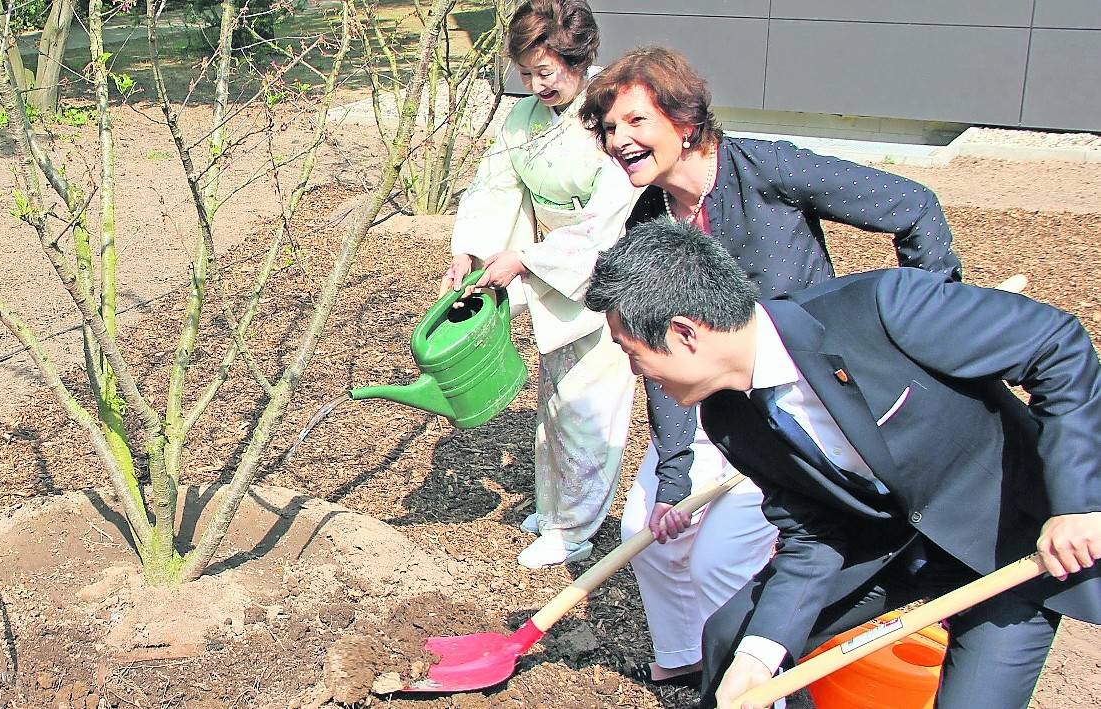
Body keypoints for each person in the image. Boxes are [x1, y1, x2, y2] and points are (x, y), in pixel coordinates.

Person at [583, 217, 1101, 709]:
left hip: (1014, 543)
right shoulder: (728, 418)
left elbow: (1058, 347)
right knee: (734, 639)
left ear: (684, 334)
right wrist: (759, 659)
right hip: (886, 547)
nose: (636, 371)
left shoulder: (883, 308)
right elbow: (812, 535)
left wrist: (1077, 503)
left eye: (632, 353)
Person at [576, 46, 963, 683]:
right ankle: (690, 660)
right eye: (609, 129)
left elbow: (913, 206)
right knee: (648, 534)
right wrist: (673, 480)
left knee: (722, 564)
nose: (619, 140)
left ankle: (756, 677)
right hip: (707, 398)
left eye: (635, 122)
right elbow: (657, 359)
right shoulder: (650, 221)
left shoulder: (765, 169)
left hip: (800, 398)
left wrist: (929, 327)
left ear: (685, 119)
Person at [440, 0, 640, 569]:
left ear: (581, 60)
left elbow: (609, 219)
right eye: (526, 73)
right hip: (549, 260)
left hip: (605, 270)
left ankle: (576, 528)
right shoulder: (523, 118)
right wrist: (471, 249)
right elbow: (495, 186)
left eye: (545, 72)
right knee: (554, 401)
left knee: (588, 405)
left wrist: (526, 259)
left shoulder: (612, 115)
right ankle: (557, 509)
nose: (534, 85)